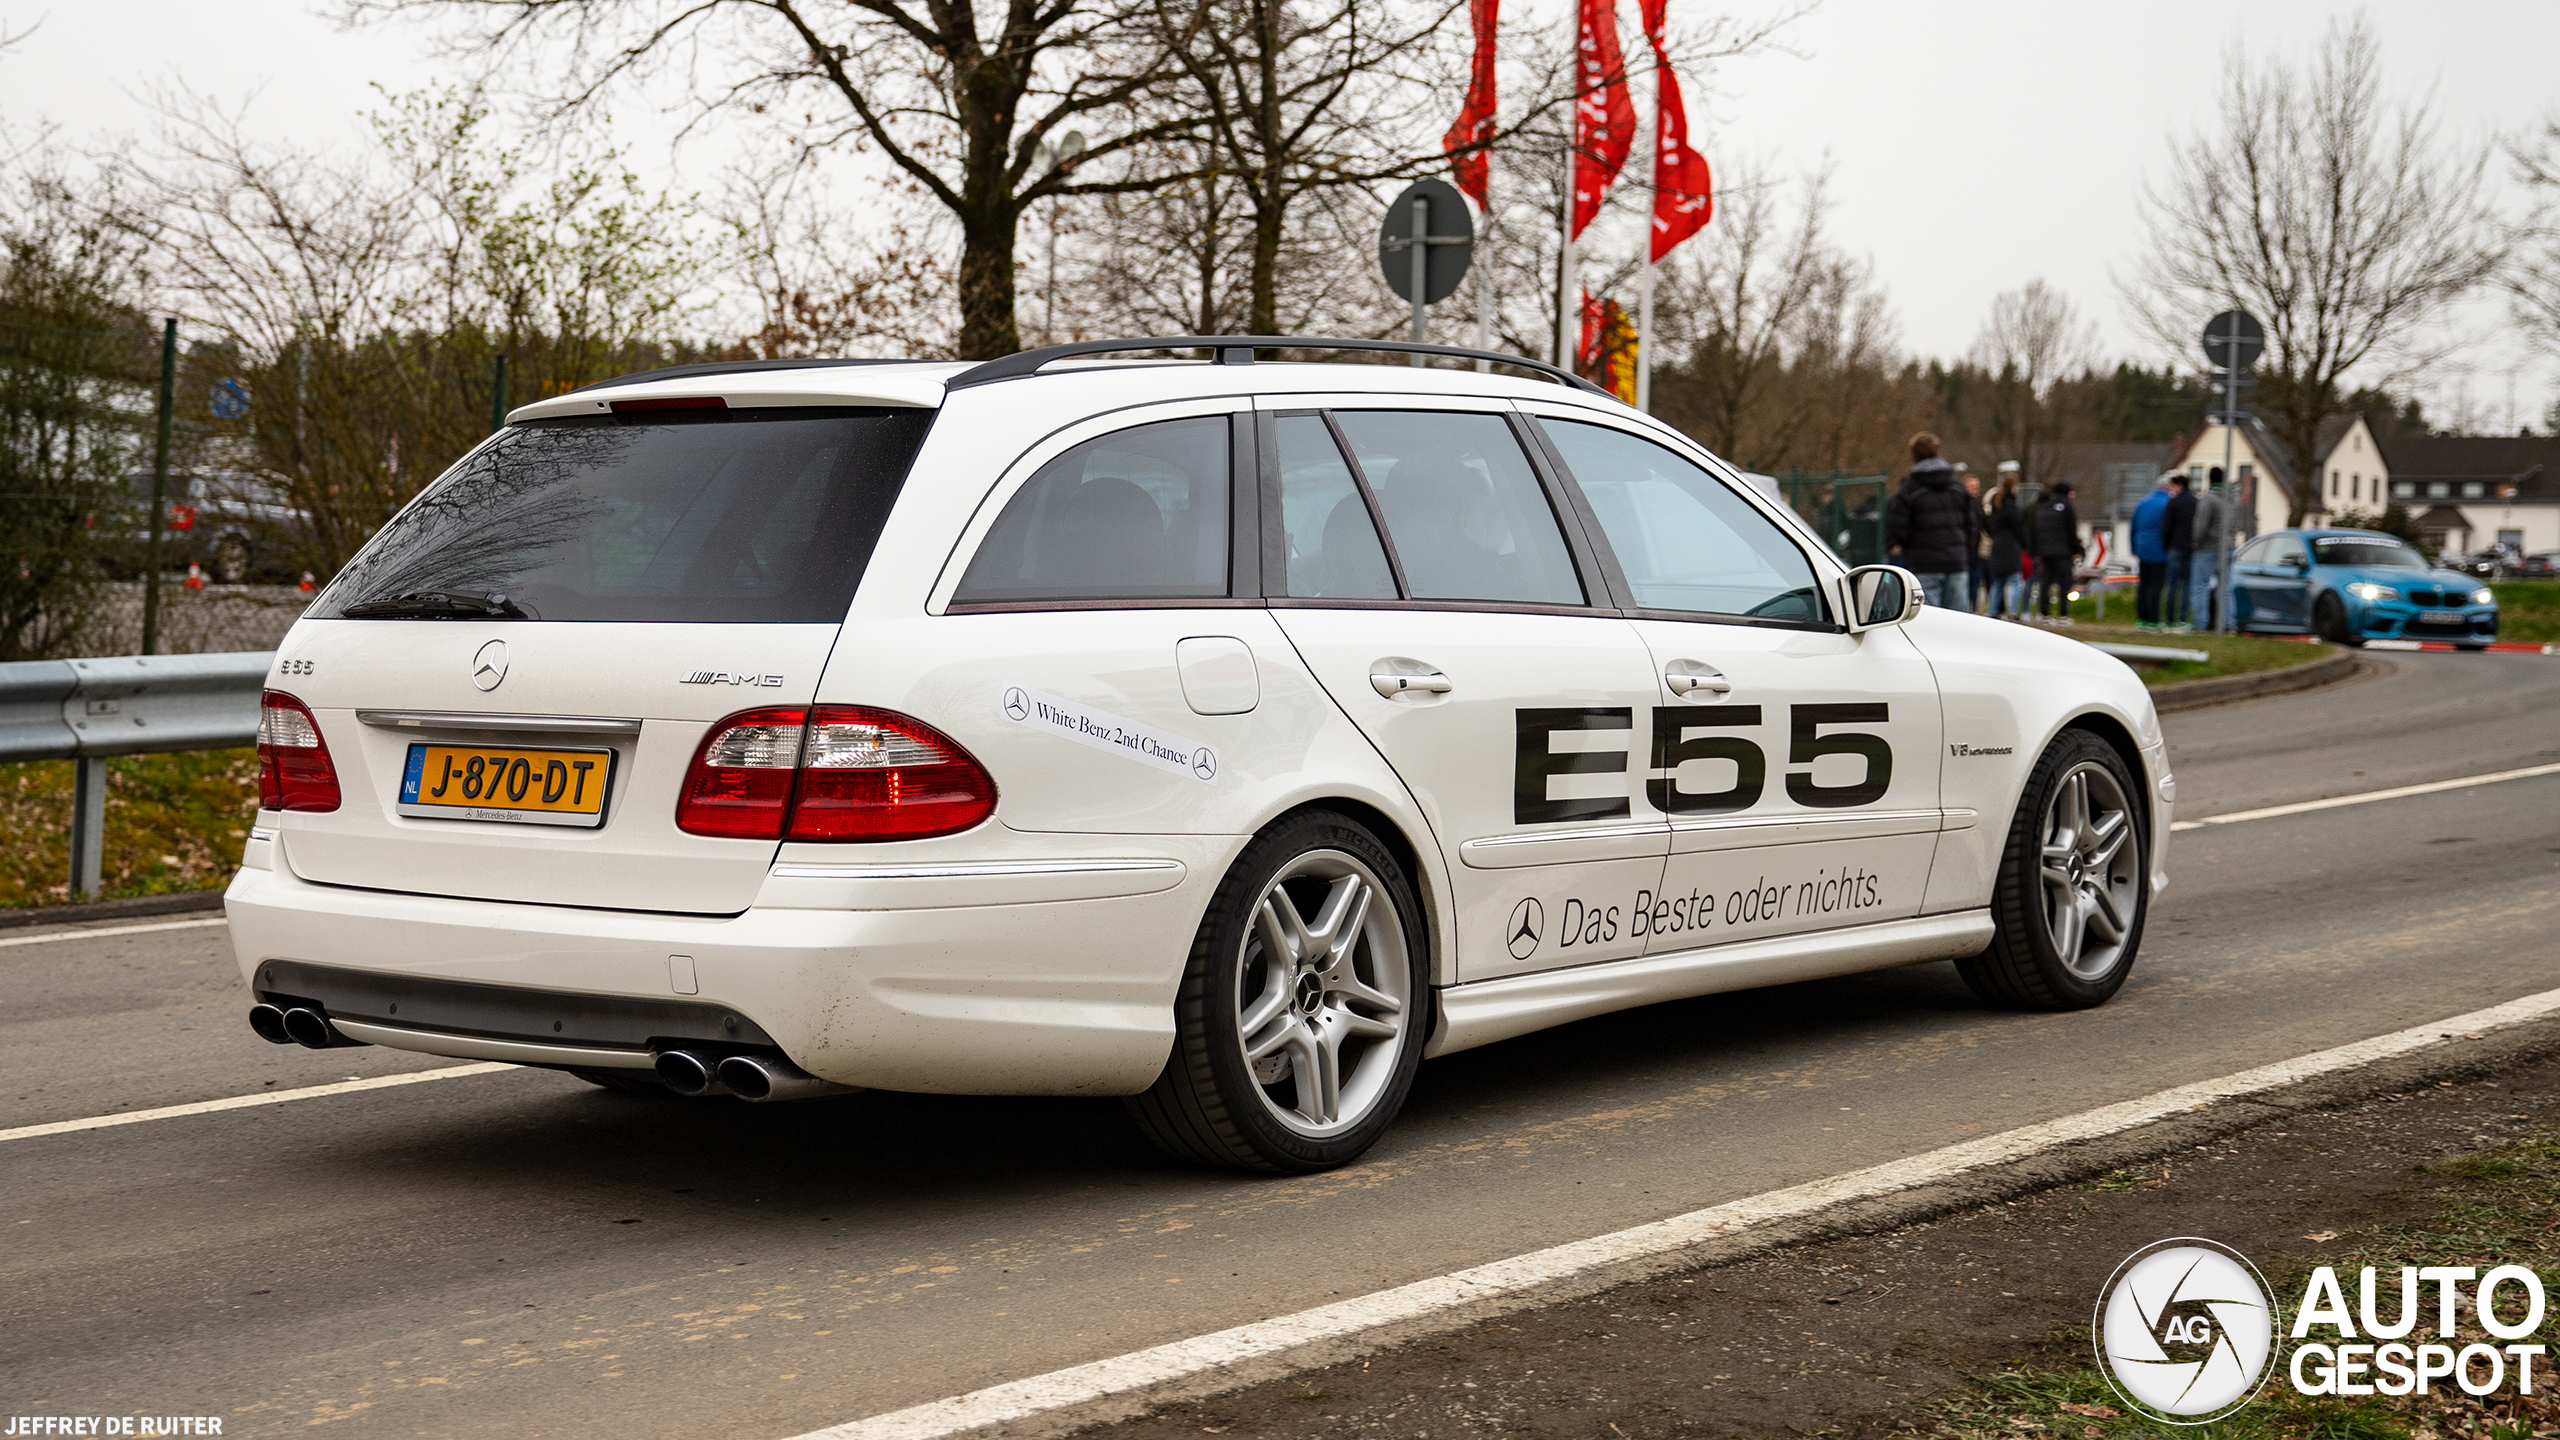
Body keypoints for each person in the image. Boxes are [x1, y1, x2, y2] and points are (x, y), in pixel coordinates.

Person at [1883, 431, 1978, 610]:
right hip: (1956, 562)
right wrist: (1966, 550)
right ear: (1937, 453)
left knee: (1929, 621)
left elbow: (1898, 528)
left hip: (1923, 563)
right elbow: (1972, 525)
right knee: (1958, 622)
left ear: (1913, 456)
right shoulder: (1957, 488)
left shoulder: (1909, 490)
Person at [2030, 480, 2083, 623]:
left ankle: (2044, 614)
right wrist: (2077, 550)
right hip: (2062, 552)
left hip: (2044, 552)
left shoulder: (2043, 507)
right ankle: (2063, 614)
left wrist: (2037, 551)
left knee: (2045, 582)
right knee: (2065, 583)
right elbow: (2071, 531)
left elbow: (2036, 530)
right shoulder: (2066, 507)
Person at [2185, 474, 2232, 632]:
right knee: (2226, 587)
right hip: (2228, 548)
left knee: (2200, 586)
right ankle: (2228, 623)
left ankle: (2200, 623)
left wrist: (2196, 544)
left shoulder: (2208, 499)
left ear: (2209, 480)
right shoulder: (2232, 500)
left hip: (2208, 548)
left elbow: (2200, 526)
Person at [1983, 464, 2028, 618]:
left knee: (1997, 582)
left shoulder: (1996, 508)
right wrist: (2024, 544)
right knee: (2015, 580)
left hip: (1997, 548)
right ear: (2013, 488)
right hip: (2010, 548)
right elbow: (2018, 527)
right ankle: (2013, 611)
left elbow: (1988, 525)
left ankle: (1992, 610)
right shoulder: (2011, 507)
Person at [2129, 474, 2172, 629]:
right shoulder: (2167, 503)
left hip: (2142, 547)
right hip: (2160, 549)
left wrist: (2134, 547)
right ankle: (2153, 619)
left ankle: (2141, 617)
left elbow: (2133, 526)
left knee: (2144, 584)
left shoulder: (2143, 502)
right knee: (2156, 585)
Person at [2161, 473, 2196, 630]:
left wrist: (2167, 544)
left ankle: (2169, 619)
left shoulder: (2173, 503)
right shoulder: (2196, 502)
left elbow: (2166, 527)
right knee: (2187, 585)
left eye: (2173, 486)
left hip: (2175, 547)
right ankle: (2183, 619)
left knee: (2173, 585)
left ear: (2179, 486)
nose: (2172, 490)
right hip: (2191, 548)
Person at [1963, 472, 1991, 612]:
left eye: (1977, 487)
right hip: (1965, 549)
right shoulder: (1962, 504)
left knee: (1975, 581)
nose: (1975, 489)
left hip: (1976, 549)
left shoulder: (1978, 504)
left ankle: (1972, 607)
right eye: (1972, 487)